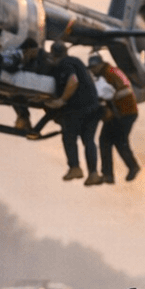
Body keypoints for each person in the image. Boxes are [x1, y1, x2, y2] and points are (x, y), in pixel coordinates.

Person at [45, 42, 102, 184]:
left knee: (69, 137)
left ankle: (75, 168)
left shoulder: (64, 64)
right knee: (89, 140)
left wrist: (62, 100)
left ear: (53, 54)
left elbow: (73, 80)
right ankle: (93, 173)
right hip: (93, 107)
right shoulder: (76, 61)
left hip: (77, 109)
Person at [90, 53, 141, 184]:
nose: (93, 70)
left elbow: (104, 95)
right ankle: (117, 171)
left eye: (94, 67)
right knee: (113, 141)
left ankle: (115, 172)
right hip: (126, 112)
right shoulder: (112, 70)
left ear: (100, 65)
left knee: (109, 141)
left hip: (122, 112)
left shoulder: (106, 75)